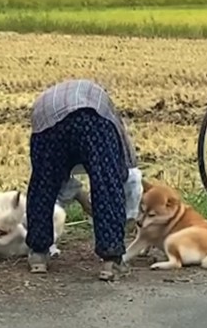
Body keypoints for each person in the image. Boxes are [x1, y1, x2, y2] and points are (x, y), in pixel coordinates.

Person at [25, 78, 140, 281]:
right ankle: (111, 261)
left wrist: (78, 194)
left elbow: (54, 177)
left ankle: (38, 255)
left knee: (42, 184)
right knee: (106, 183)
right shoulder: (108, 114)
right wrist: (125, 209)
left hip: (46, 117)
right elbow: (124, 169)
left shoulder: (52, 97)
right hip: (91, 117)